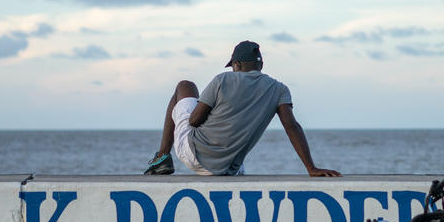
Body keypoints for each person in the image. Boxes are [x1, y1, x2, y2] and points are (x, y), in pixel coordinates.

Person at [144, 40, 341, 177]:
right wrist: (311, 167)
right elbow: (292, 126)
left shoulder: (223, 79)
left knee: (185, 85)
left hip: (193, 153)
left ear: (236, 64)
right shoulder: (279, 89)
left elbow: (194, 120)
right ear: (261, 64)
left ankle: (162, 157)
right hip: (228, 169)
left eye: (233, 66)